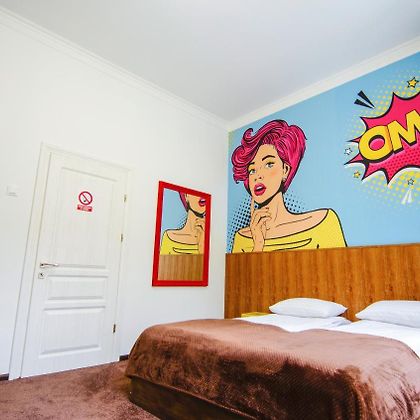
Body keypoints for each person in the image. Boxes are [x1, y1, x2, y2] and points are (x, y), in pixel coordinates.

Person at [231, 119, 346, 252]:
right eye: (252, 170)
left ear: (285, 170)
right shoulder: (242, 237)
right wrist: (258, 244)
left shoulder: (323, 222)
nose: (258, 176)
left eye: (269, 164)